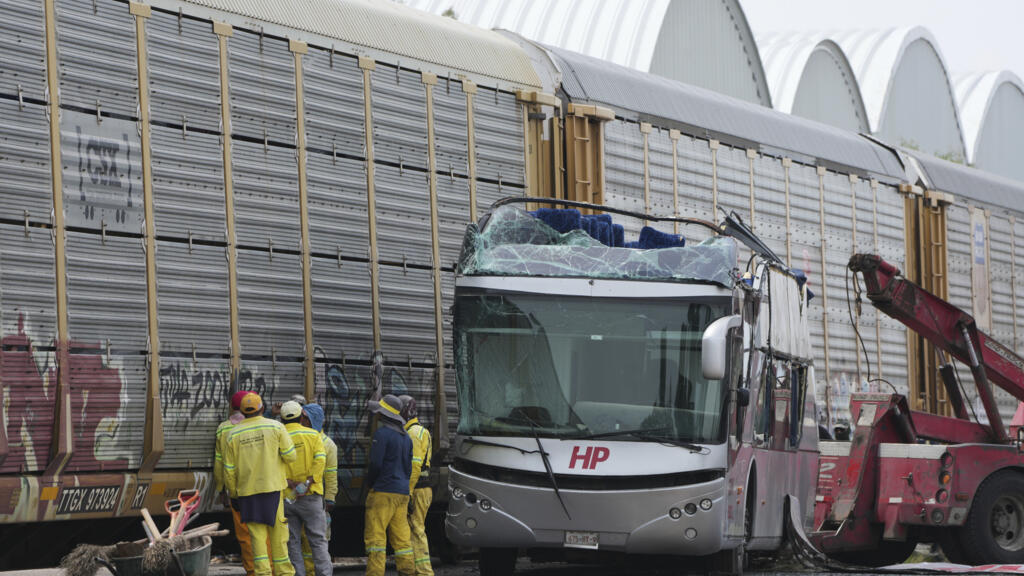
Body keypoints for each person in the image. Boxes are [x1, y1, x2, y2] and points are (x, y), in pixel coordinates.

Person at [224, 393, 297, 576]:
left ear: (241, 411)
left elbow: (229, 470)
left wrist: (233, 495)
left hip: (247, 493)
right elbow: (290, 456)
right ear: (262, 408)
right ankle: (284, 573)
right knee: (279, 538)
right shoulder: (276, 427)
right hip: (273, 490)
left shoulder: (233, 434)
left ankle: (263, 573)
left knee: (257, 539)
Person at [364, 394, 414, 576]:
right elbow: (408, 468)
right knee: (402, 537)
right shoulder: (406, 438)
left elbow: (376, 464)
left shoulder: (382, 434)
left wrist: (370, 484)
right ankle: (407, 571)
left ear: (384, 415)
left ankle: (375, 573)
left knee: (376, 537)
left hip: (383, 491)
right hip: (402, 492)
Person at [279, 401, 331, 576]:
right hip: (311, 495)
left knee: (292, 541)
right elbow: (320, 459)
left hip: (287, 497)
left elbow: (273, 464)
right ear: (302, 416)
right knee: (318, 540)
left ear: (282, 418)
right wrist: (309, 481)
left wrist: (288, 482)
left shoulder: (278, 435)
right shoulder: (313, 435)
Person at [215, 390, 256, 576]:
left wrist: (221, 488)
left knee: (244, 534)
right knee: (265, 532)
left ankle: (251, 570)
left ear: (232, 406)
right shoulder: (262, 427)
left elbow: (220, 462)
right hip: (262, 487)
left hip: (237, 489)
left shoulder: (224, 429)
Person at [298, 404, 337, 575]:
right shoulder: (325, 443)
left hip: (315, 498)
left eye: (304, 417)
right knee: (305, 540)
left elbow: (330, 475)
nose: (300, 420)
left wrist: (330, 498)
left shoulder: (327, 444)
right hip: (302, 497)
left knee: (313, 541)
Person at [399, 395, 434, 576]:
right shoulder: (420, 430)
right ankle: (415, 570)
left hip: (417, 489)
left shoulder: (412, 433)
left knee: (417, 530)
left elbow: (414, 466)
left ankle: (424, 572)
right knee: (415, 529)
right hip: (423, 488)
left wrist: (408, 492)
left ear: (405, 411)